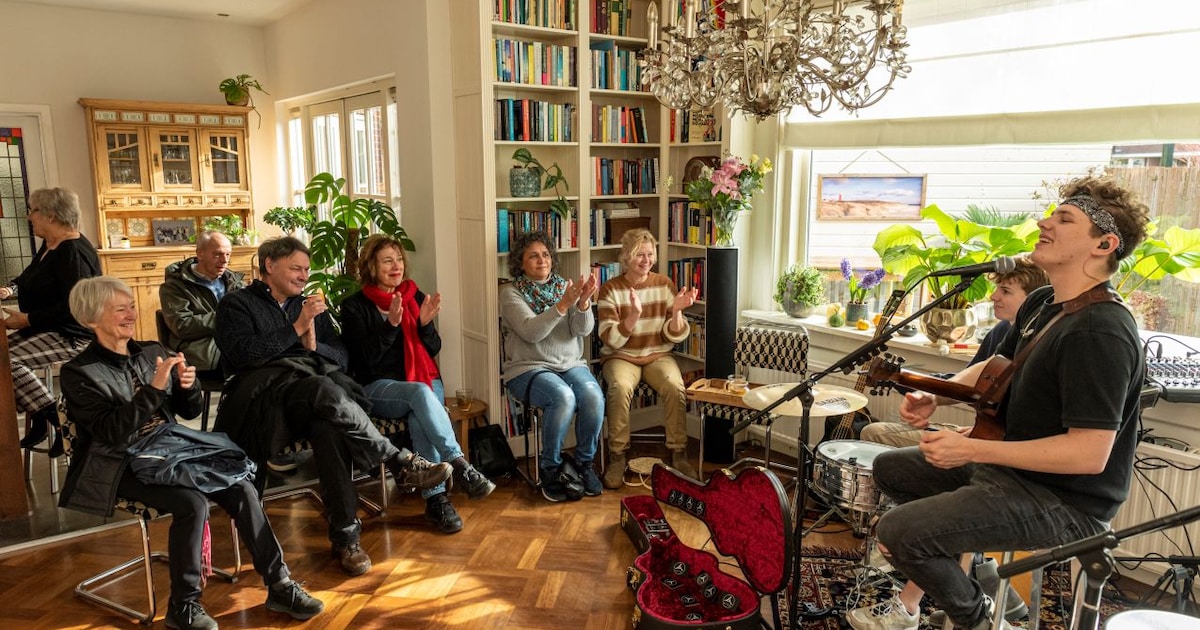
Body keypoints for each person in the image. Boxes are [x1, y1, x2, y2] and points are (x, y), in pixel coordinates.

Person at [846, 175, 1150, 630]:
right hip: (1011, 471)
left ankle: (983, 620)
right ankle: (969, 565)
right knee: (892, 469)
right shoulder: (1048, 301)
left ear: (1104, 244)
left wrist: (971, 448)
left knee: (899, 531)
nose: (1045, 222)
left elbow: (1089, 454)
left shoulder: (1100, 331)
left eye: (1064, 219)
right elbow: (999, 362)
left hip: (1064, 502)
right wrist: (939, 390)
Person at [59, 277, 324, 630]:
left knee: (242, 486)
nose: (131, 314)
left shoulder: (151, 350)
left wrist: (187, 387)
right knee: (192, 503)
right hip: (118, 464)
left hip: (170, 451)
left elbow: (188, 410)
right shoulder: (78, 372)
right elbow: (111, 432)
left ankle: (279, 584)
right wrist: (154, 390)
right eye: (120, 308)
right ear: (92, 318)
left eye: (131, 306)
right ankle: (183, 607)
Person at [213, 236, 452, 577]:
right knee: (324, 389)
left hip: (312, 402)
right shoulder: (236, 305)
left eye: (306, 270)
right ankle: (396, 460)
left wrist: (312, 346)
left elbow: (341, 356)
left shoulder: (309, 303)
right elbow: (242, 356)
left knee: (330, 425)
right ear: (269, 266)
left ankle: (346, 540)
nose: (302, 276)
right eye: (296, 268)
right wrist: (297, 329)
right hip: (264, 405)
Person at [340, 234, 496, 532]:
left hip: (422, 382)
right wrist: (391, 327)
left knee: (420, 410)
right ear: (371, 266)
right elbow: (364, 363)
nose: (395, 266)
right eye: (387, 260)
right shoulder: (354, 307)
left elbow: (433, 347)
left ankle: (437, 502)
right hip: (379, 387)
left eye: (399, 259)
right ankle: (461, 466)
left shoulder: (413, 295)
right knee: (421, 395)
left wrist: (424, 325)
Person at [860, 257, 1049, 448]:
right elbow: (970, 385)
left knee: (876, 435)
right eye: (997, 288)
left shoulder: (1044, 340)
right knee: (874, 431)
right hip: (981, 433)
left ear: (1034, 299)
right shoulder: (999, 332)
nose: (993, 296)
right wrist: (907, 381)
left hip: (1002, 445)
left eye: (1006, 291)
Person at [499, 231, 604, 502]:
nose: (541, 260)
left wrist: (582, 303)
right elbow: (531, 332)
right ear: (520, 262)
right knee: (563, 397)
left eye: (545, 254)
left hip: (569, 363)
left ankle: (583, 464)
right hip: (528, 368)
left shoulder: (563, 286)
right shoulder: (510, 293)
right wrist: (564, 303)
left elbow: (582, 330)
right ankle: (551, 468)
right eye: (533, 256)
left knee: (593, 396)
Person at [0, 187, 100, 455]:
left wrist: (28, 319)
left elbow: (74, 306)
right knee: (1, 357)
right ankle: (43, 419)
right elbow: (30, 277)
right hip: (46, 328)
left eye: (32, 211)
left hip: (73, 334)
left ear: (51, 215)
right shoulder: (50, 245)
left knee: (6, 362)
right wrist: (10, 289)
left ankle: (61, 422)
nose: (29, 216)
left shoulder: (73, 252)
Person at [596, 228, 698, 489]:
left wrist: (676, 312)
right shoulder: (610, 289)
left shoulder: (664, 284)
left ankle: (679, 452)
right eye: (639, 255)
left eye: (650, 254)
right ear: (626, 258)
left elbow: (673, 335)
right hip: (621, 356)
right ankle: (618, 456)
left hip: (657, 354)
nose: (646, 260)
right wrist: (632, 317)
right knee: (619, 387)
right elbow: (609, 339)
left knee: (676, 386)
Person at [159, 230, 242, 373]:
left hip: (236, 342)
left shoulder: (234, 281)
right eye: (217, 254)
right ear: (200, 254)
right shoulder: (175, 286)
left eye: (228, 254)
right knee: (253, 367)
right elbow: (182, 325)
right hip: (203, 350)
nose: (224, 260)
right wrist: (226, 318)